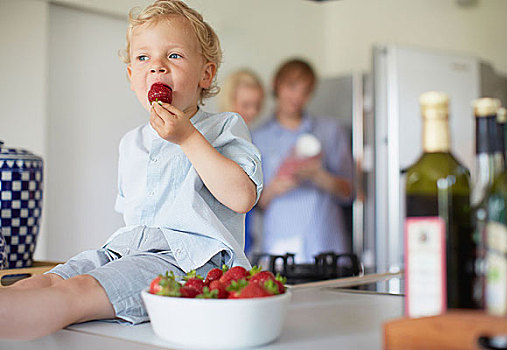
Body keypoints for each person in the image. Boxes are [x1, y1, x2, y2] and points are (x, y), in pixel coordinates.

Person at [0, 0, 262, 340]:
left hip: (187, 262)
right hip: (124, 249)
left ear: (206, 74)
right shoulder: (131, 143)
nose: (156, 67)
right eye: (143, 58)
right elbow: (135, 221)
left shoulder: (225, 126)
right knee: (51, 278)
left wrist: (187, 138)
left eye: (174, 56)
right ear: (131, 77)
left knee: (80, 290)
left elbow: (242, 198)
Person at [251, 58, 353, 263]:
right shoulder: (256, 137)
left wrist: (319, 176)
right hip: (279, 249)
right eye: (292, 87)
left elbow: (350, 194)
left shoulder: (331, 131)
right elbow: (251, 203)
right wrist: (274, 188)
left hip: (326, 246)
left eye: (305, 91)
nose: (297, 96)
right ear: (276, 85)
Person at [219, 69, 265, 256]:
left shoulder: (253, 140)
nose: (252, 112)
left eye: (257, 105)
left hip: (247, 238)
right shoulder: (214, 141)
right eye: (246, 105)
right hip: (221, 237)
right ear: (230, 101)